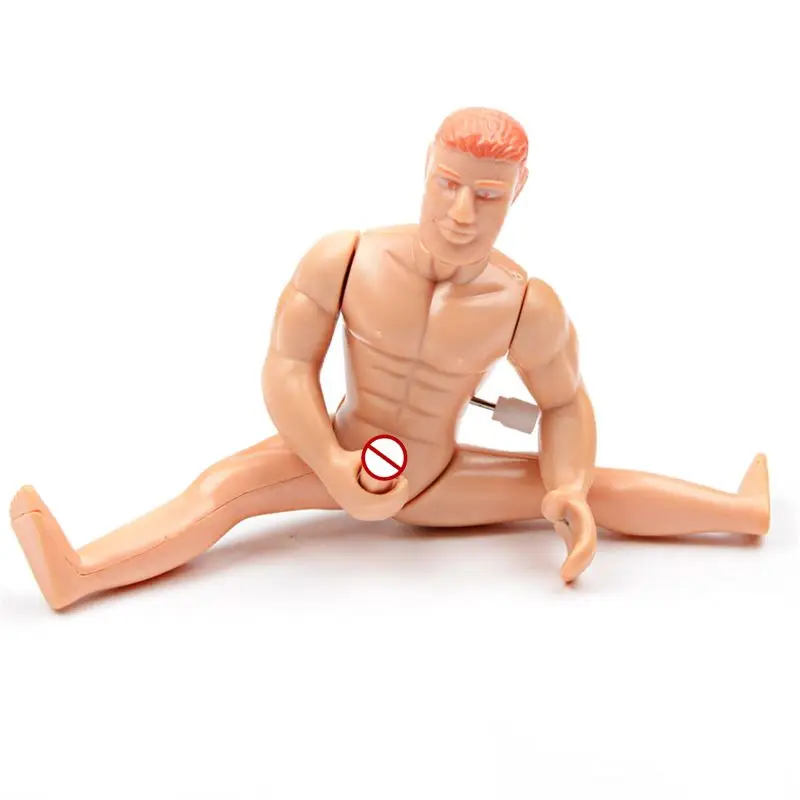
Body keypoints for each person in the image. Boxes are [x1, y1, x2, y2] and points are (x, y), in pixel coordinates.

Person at [10, 107, 770, 610]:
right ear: (425, 166)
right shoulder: (346, 258)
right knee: (221, 490)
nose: (462, 213)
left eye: (487, 195)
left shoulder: (524, 304)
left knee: (590, 488)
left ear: (519, 191)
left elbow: (566, 405)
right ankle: (77, 573)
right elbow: (285, 368)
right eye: (447, 184)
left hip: (439, 482)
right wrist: (331, 463)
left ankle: (743, 512)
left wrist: (567, 488)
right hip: (332, 452)